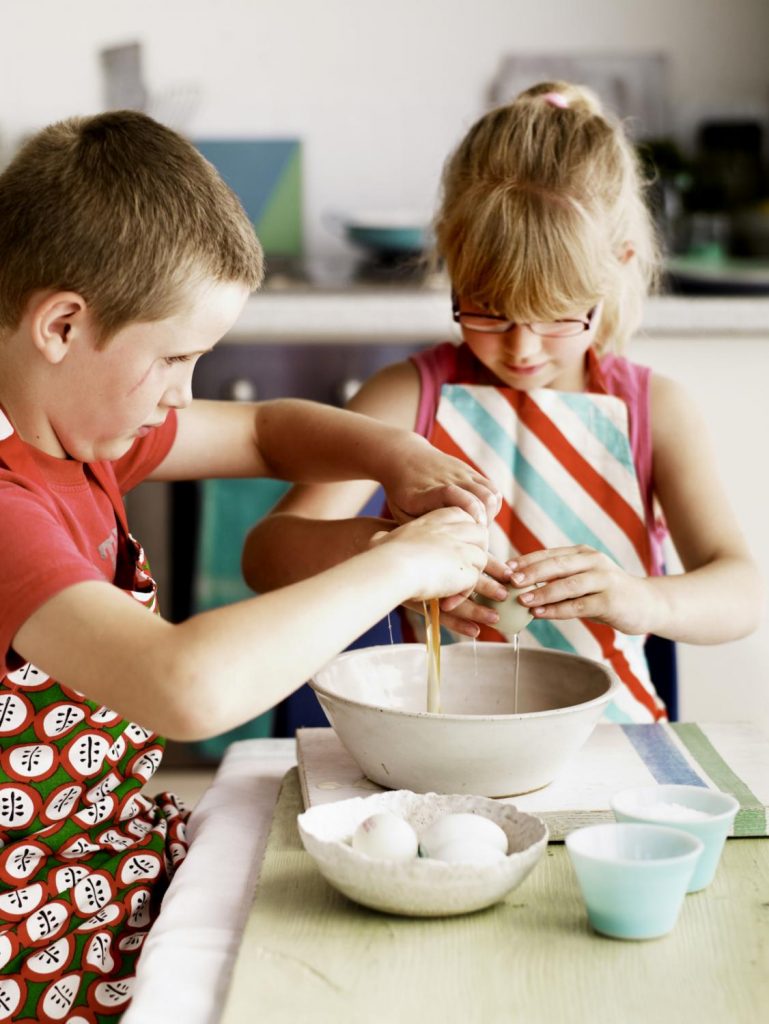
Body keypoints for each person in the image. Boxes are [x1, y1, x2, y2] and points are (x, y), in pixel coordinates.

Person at [0, 110, 496, 1018]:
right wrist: (398, 567)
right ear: (62, 325)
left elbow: (268, 428)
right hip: (37, 943)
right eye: (175, 358)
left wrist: (396, 457)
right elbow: (182, 686)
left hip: (112, 859)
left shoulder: (78, 439)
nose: (184, 394)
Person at [244, 80, 762, 726]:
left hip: (611, 745)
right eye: (486, 313)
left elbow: (740, 591)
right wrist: (397, 561)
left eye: (552, 317)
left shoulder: (654, 410)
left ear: (617, 266)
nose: (519, 348)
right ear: (451, 263)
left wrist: (641, 601)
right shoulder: (410, 397)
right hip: (436, 739)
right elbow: (266, 553)